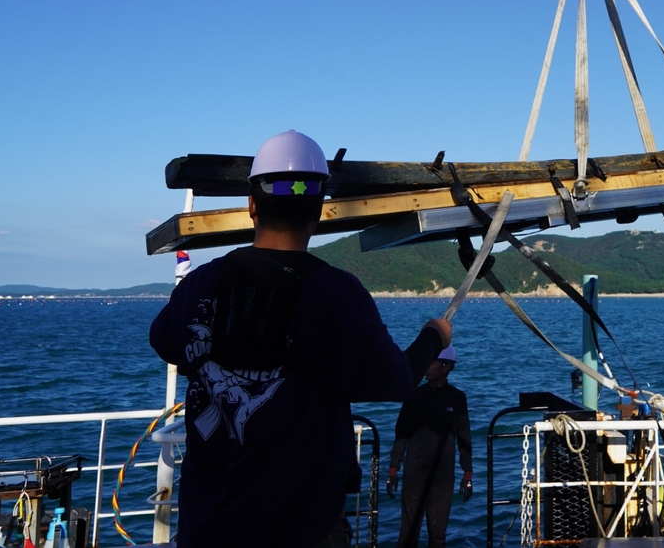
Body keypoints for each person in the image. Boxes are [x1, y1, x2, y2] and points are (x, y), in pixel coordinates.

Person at [150, 130, 451, 548]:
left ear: (252, 205)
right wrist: (434, 337)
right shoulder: (335, 291)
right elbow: (397, 379)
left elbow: (165, 341)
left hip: (208, 526)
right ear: (320, 210)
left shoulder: (203, 281)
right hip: (303, 526)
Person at [387, 345, 474, 548]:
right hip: (414, 476)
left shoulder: (457, 398)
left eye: (431, 362)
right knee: (408, 537)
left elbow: (464, 436)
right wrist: (393, 469)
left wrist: (467, 474)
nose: (426, 367)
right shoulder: (414, 396)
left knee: (438, 538)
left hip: (443, 480)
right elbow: (401, 435)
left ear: (446, 367)